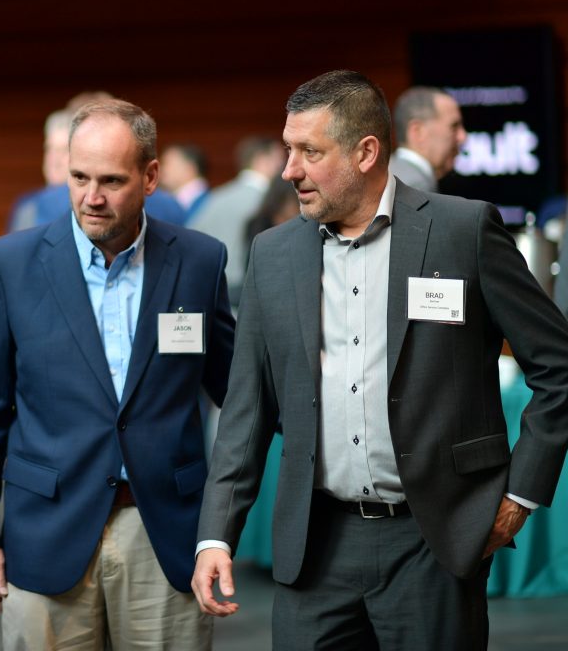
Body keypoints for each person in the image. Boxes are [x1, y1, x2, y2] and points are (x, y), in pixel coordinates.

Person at [192, 70, 568, 650]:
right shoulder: (273, 253)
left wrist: (519, 497)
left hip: (432, 543)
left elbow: (558, 367)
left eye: (310, 152)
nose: (289, 170)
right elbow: (246, 408)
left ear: (366, 153)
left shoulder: (461, 231)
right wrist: (216, 535)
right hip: (314, 547)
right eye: (289, 149)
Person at [0, 99, 235, 650]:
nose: (92, 197)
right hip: (46, 526)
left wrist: (219, 529)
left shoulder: (200, 261)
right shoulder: (12, 263)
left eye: (111, 181)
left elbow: (236, 394)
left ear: (150, 177)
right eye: (79, 177)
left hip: (162, 530)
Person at [188, 136, 284, 306]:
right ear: (262, 160)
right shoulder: (268, 203)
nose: (285, 168)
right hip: (250, 300)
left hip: (210, 296)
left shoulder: (215, 197)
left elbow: (190, 241)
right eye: (279, 161)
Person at [389, 85, 466, 192]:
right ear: (418, 132)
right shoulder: (416, 186)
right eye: (454, 126)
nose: (463, 137)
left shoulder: (387, 174)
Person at [7, 109, 72, 232]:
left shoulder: (85, 203)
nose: (55, 158)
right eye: (49, 148)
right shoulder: (27, 205)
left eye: (64, 150)